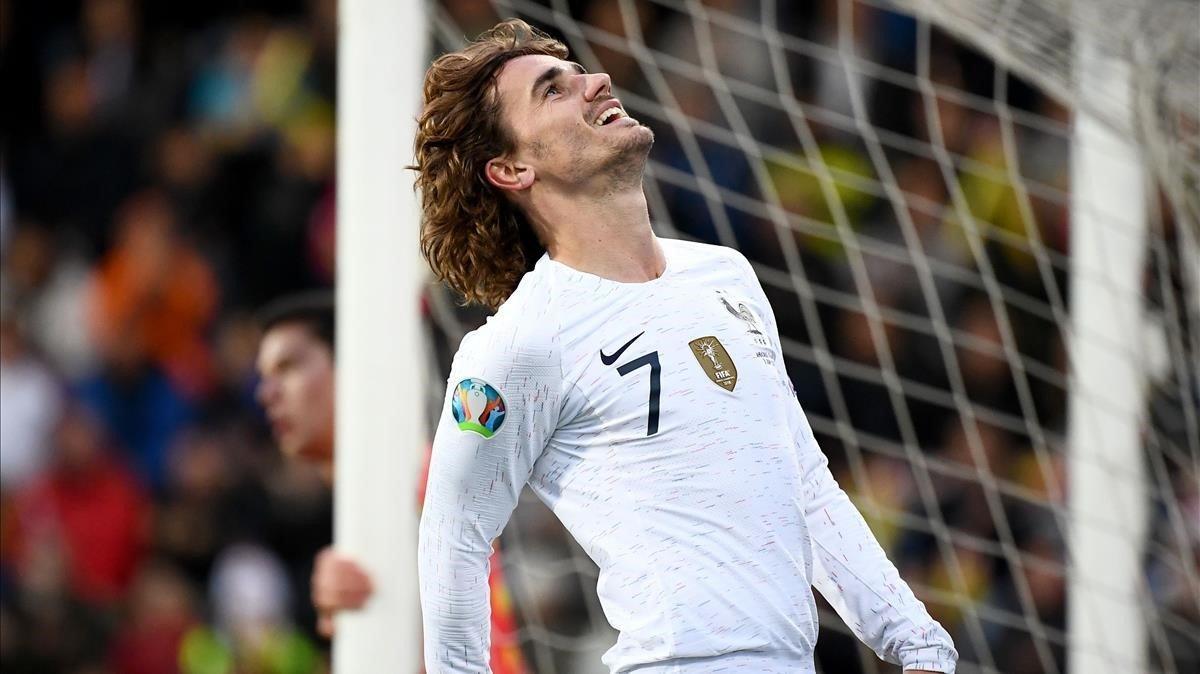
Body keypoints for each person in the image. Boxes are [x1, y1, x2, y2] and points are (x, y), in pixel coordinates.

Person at [253, 291, 527, 672]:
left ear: (350, 365)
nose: (265, 394)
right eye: (264, 377)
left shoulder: (428, 475)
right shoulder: (360, 510)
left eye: (288, 367)